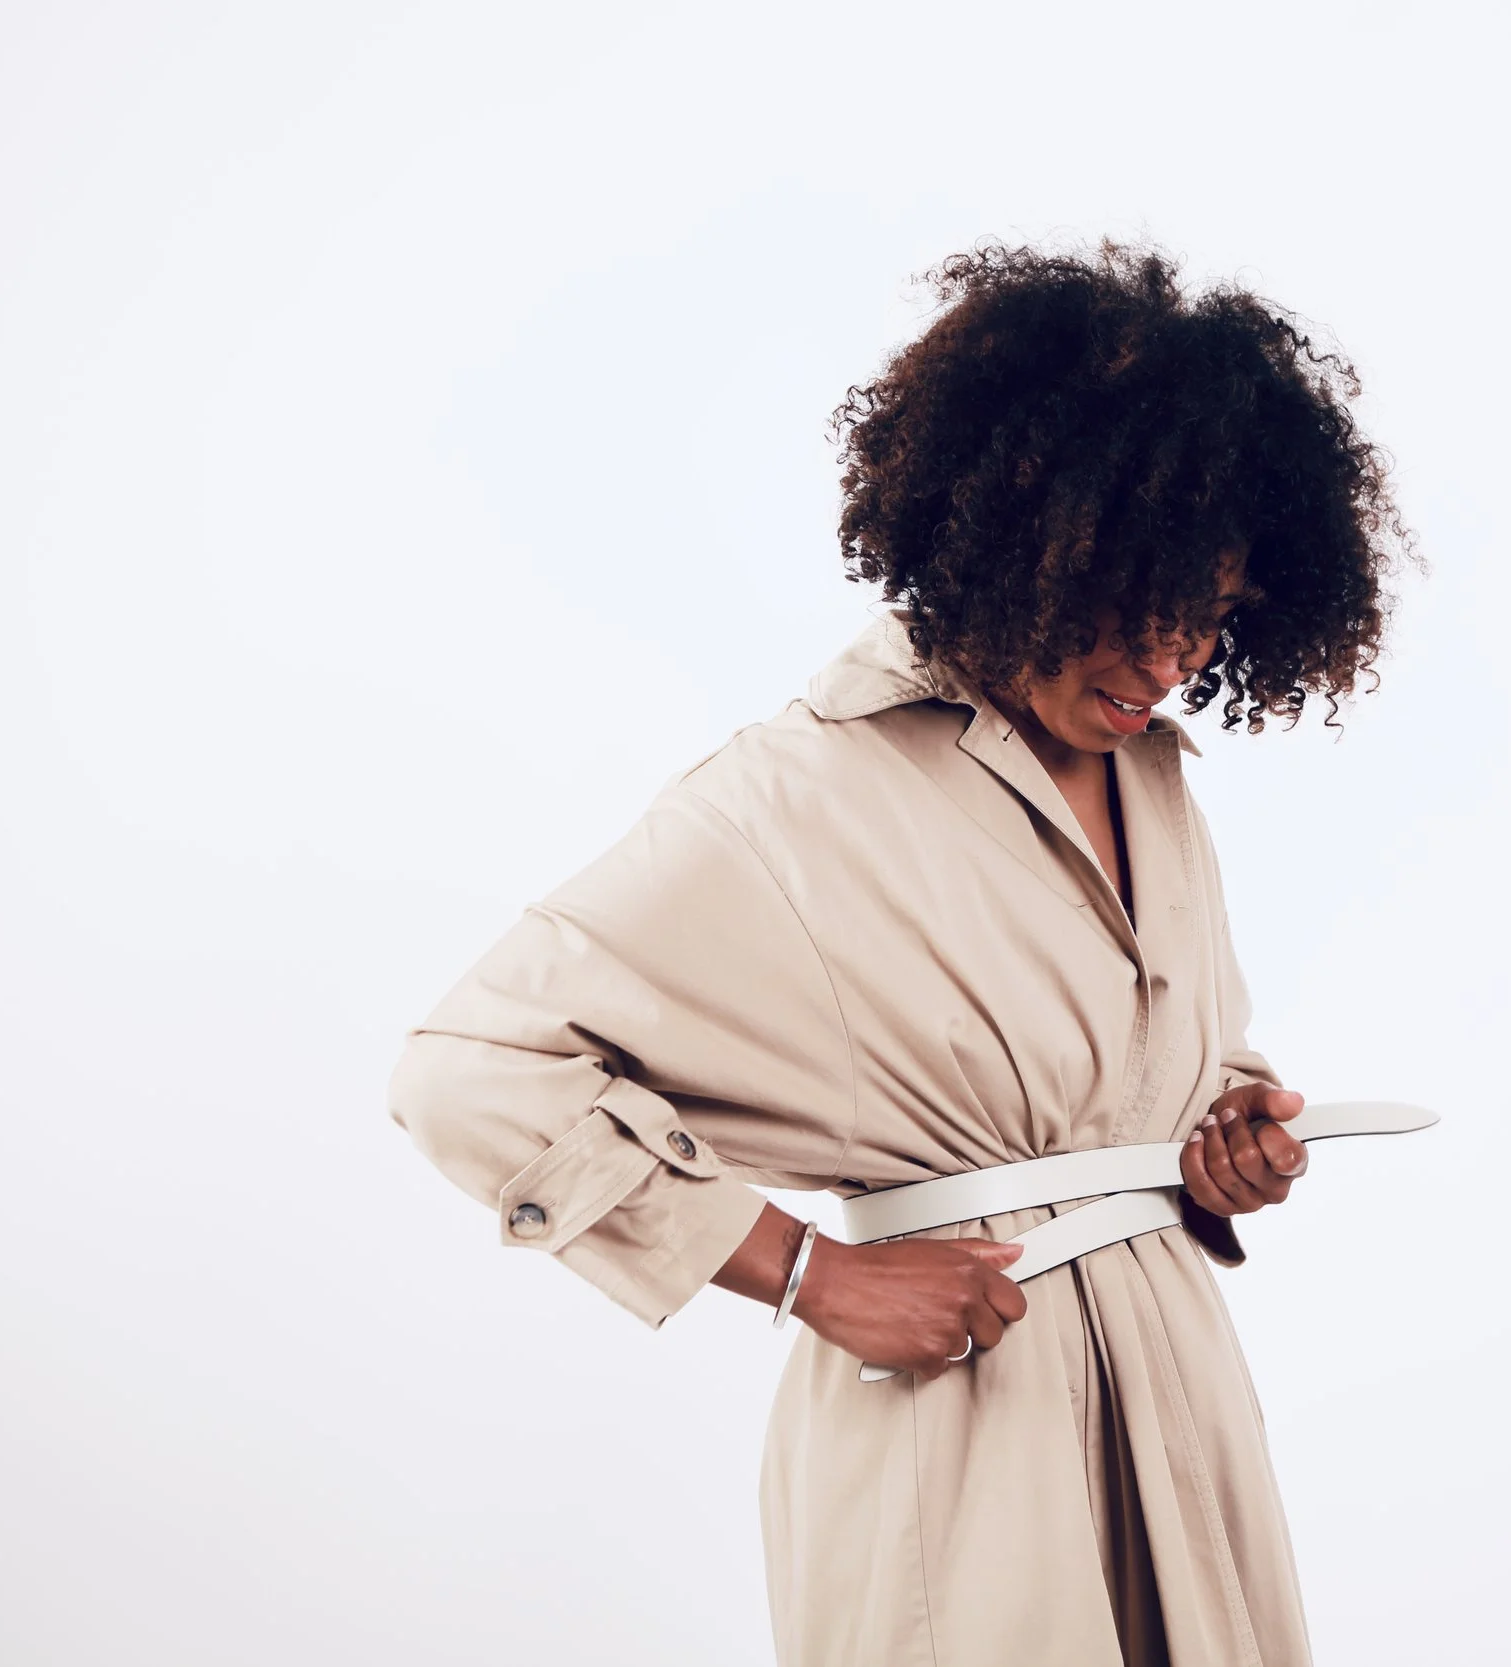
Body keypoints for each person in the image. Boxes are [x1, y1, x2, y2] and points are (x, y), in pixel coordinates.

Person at [388, 240, 1409, 1667]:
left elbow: (1146, 1073)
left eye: (1211, 609)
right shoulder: (800, 794)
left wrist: (1224, 1134)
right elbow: (468, 1068)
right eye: (1134, 597)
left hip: (1178, 1411)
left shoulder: (1158, 781)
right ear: (1024, 537)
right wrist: (809, 1272)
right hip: (964, 1420)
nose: (1171, 655)